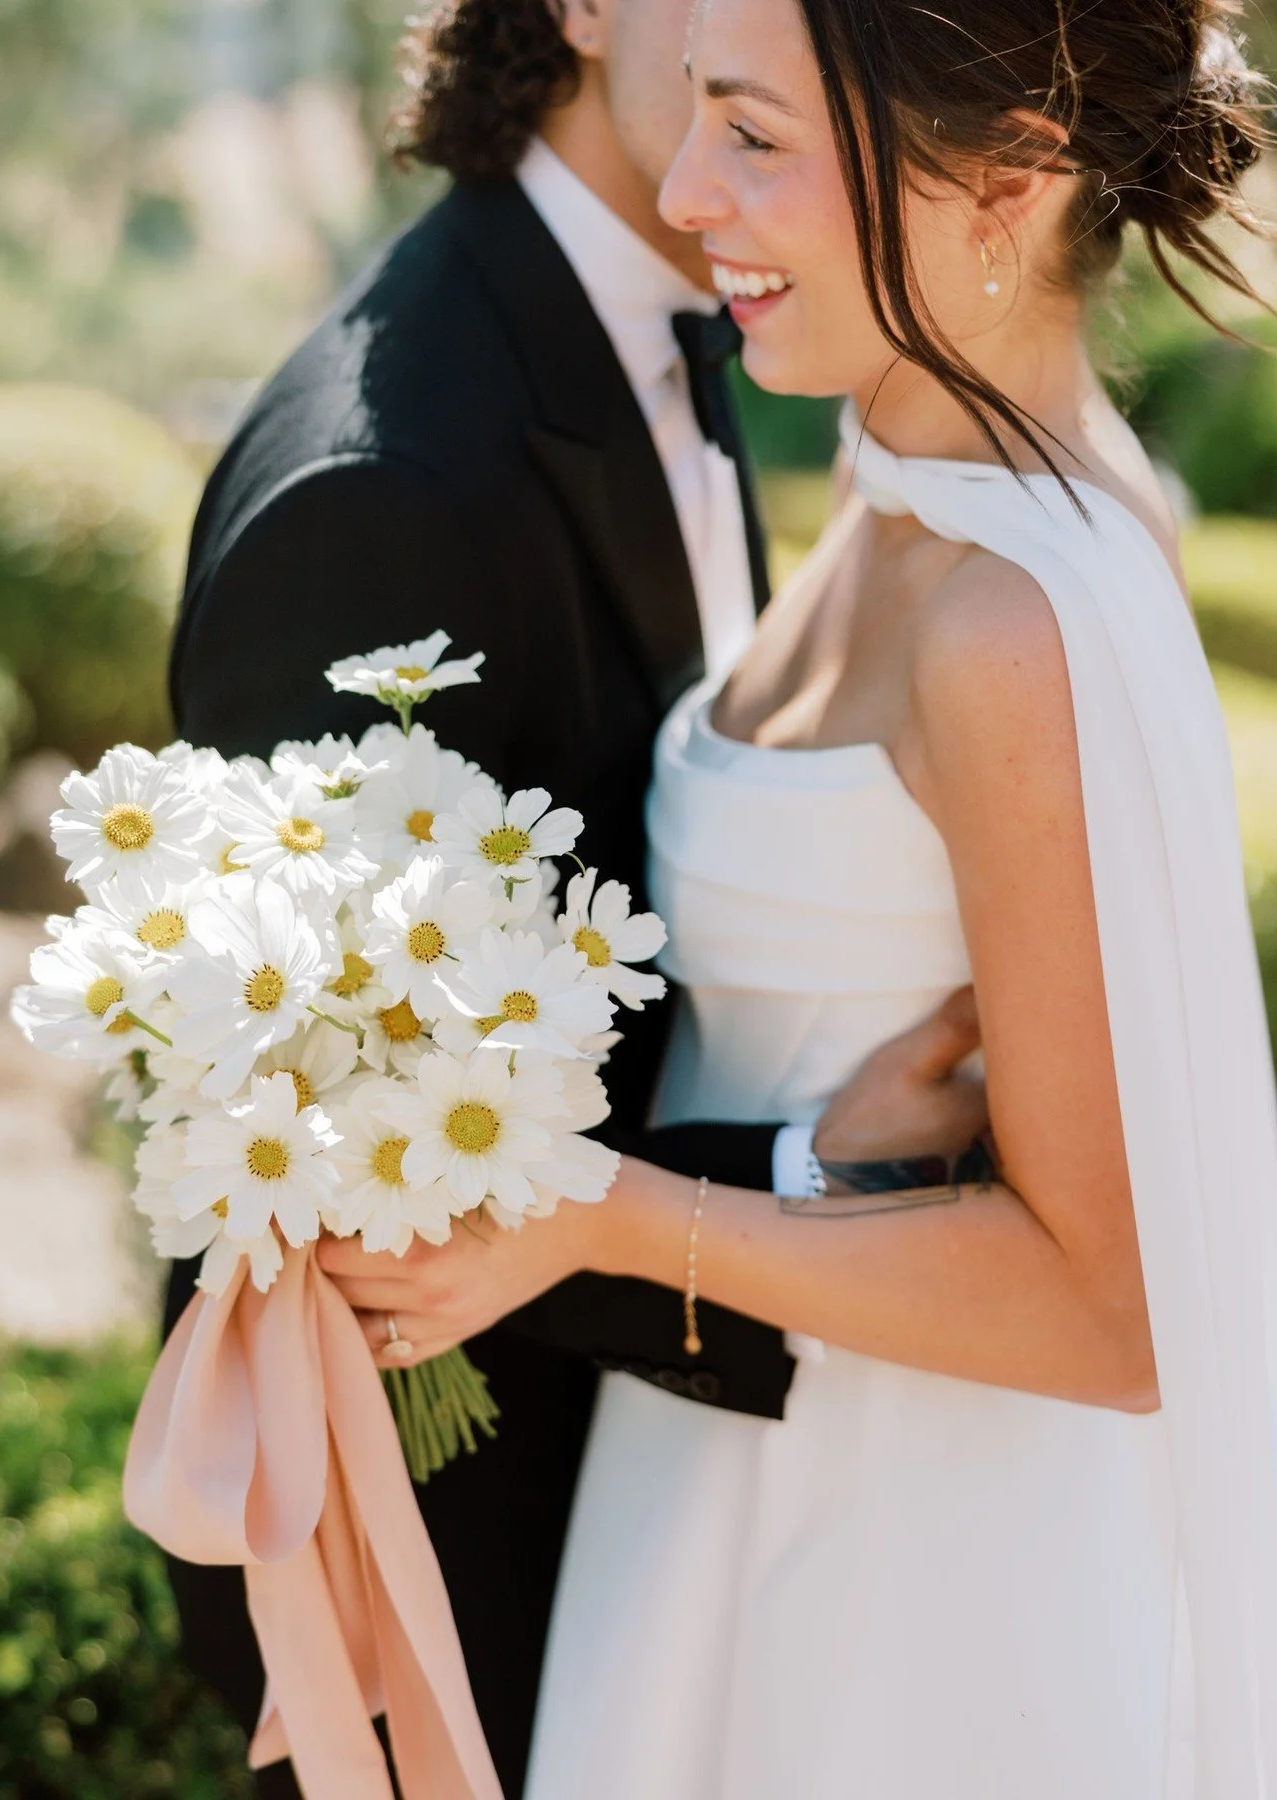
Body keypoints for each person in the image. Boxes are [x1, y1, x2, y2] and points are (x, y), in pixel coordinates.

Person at [319, 0, 1277, 1793]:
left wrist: (604, 1216)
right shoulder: (898, 470)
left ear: (1001, 188)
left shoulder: (1015, 623)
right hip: (733, 1460)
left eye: (755, 139)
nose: (689, 194)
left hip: (912, 1566)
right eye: (703, 122)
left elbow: (1115, 1316)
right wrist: (814, 1173)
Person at [163, 0, 987, 1792]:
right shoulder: (391, 489)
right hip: (455, 1560)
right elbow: (349, 1198)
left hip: (656, 1504)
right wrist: (815, 1186)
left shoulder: (688, 330)